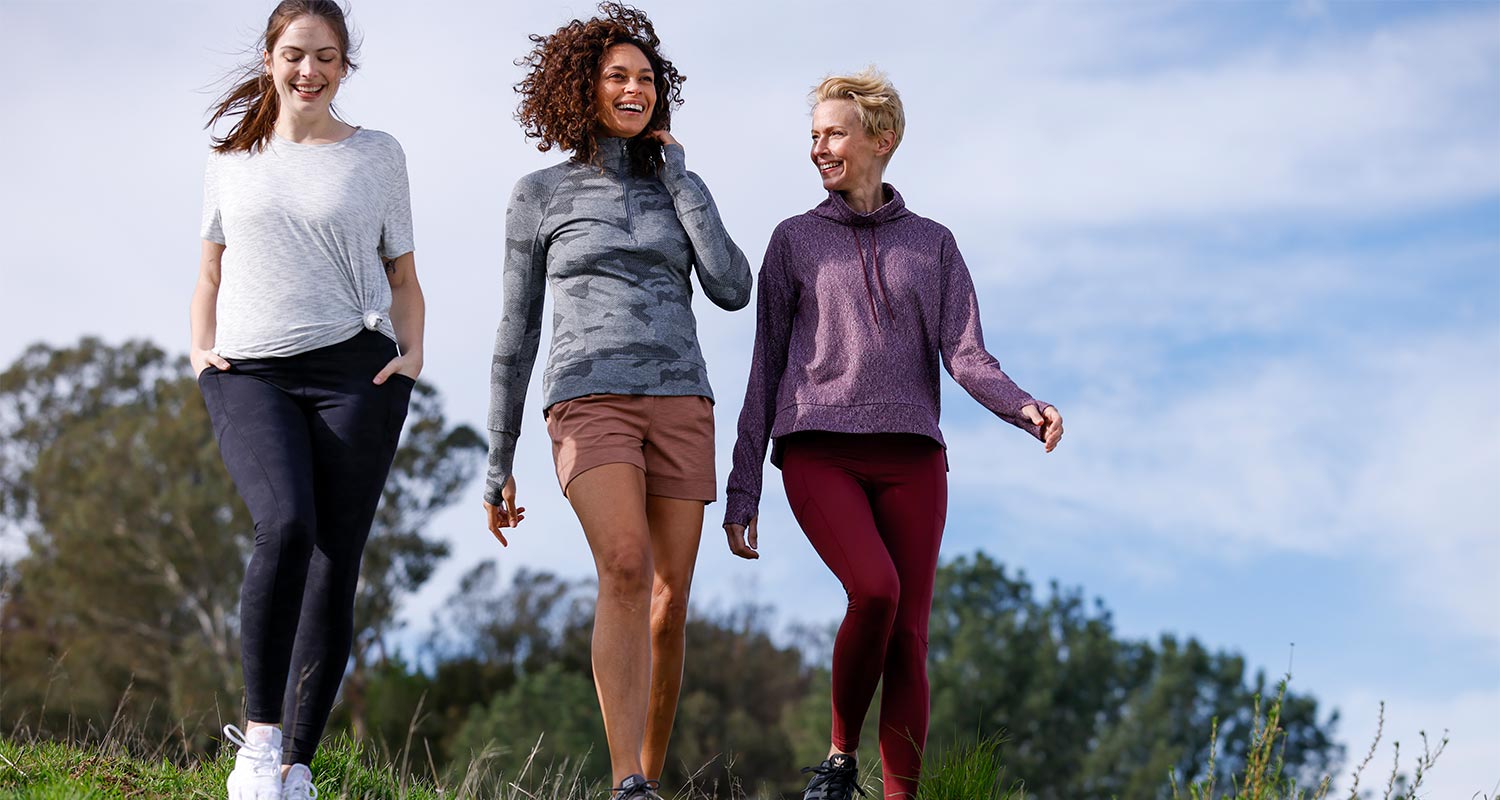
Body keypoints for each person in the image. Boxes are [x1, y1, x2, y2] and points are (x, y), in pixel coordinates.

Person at [722, 69, 1064, 800]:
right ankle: (841, 758)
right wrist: (744, 483)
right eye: (813, 135)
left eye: (834, 132)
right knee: (873, 590)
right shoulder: (793, 242)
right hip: (817, 446)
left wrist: (1022, 405)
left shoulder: (933, 245)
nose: (819, 147)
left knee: (909, 637)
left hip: (913, 456)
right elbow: (765, 368)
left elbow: (968, 356)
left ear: (884, 139)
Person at [482, 4, 751, 798]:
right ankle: (624, 780)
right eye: (616, 77)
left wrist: (682, 182)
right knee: (626, 567)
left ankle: (652, 780)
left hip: (681, 400)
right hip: (586, 399)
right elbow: (514, 329)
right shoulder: (540, 194)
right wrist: (498, 458)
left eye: (644, 79)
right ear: (582, 89)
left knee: (670, 602)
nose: (633, 90)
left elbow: (733, 288)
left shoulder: (679, 187)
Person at [192, 2, 423, 797]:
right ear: (269, 58)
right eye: (295, 54)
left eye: (327, 57)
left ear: (343, 67)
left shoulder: (377, 155)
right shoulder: (231, 158)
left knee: (335, 563)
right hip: (249, 373)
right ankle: (258, 745)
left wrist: (413, 353)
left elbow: (402, 278)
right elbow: (210, 271)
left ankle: (296, 768)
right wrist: (200, 349)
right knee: (285, 524)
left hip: (356, 374)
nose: (309, 71)